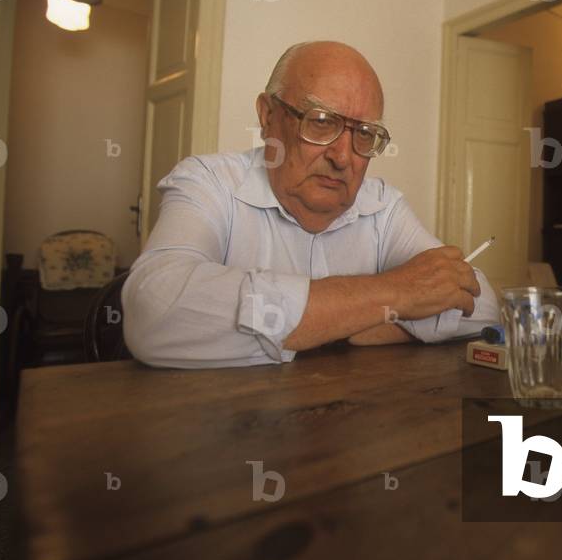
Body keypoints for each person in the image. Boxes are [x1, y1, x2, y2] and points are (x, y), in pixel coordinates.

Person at [122, 41, 499, 368]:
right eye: (320, 121)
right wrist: (395, 293)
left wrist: (338, 323)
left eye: (365, 134)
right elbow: (154, 309)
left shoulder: (384, 206)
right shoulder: (208, 181)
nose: (342, 157)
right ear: (268, 116)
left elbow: (480, 303)